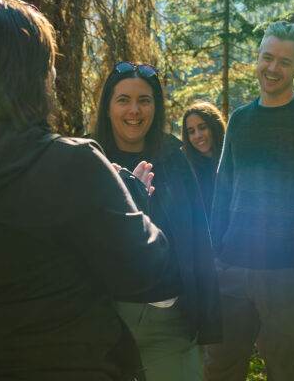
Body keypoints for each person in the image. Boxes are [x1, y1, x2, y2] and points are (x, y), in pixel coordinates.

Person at [0, 0, 178, 380]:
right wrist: (132, 197)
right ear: (25, 76)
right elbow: (148, 274)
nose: (53, 75)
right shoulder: (69, 166)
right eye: (47, 64)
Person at [204, 21, 294, 381]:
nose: (273, 68)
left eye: (285, 62)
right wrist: (214, 256)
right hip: (232, 268)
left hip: (289, 273)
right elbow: (223, 192)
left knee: (288, 371)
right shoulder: (240, 120)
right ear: (258, 58)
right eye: (267, 58)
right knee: (219, 369)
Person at [94, 62, 222, 380]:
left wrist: (207, 323)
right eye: (123, 100)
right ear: (107, 106)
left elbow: (198, 239)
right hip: (101, 321)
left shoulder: (174, 158)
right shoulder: (87, 158)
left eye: (144, 100)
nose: (134, 110)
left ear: (156, 107)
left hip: (168, 321)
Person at [181, 101, 226, 217]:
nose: (197, 135)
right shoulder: (183, 170)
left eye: (202, 127)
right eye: (191, 132)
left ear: (215, 126)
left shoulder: (233, 161)